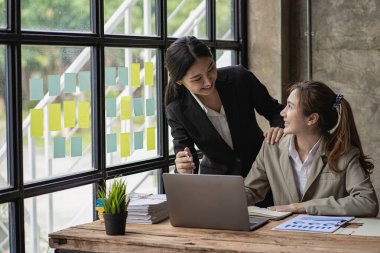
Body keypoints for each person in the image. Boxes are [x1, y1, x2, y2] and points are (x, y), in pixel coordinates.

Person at [244, 80, 378, 216]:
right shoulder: (271, 147)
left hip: (328, 235)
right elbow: (251, 190)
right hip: (283, 235)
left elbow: (367, 202)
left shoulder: (344, 153)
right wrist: (224, 200)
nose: (282, 113)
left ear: (312, 119)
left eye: (290, 106)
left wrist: (303, 207)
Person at [165, 36, 285, 178]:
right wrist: (183, 168)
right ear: (179, 81)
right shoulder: (176, 110)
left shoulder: (239, 78)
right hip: (218, 184)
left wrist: (279, 127)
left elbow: (275, 111)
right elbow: (186, 158)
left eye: (211, 69)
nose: (208, 81)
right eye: (197, 79)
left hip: (263, 173)